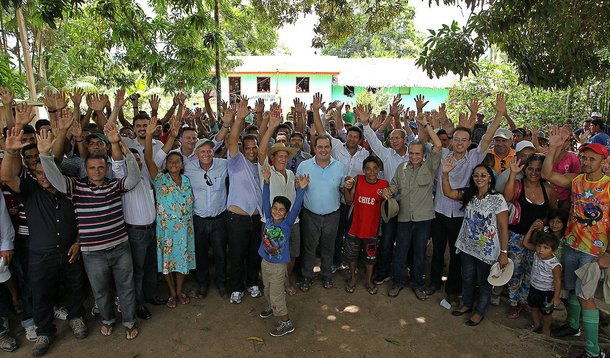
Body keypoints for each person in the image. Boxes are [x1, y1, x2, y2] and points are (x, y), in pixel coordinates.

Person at [39, 123, 141, 340]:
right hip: (93, 252)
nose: (97, 171)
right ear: (85, 169)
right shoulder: (76, 187)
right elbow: (56, 180)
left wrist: (123, 150)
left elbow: (133, 179)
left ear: (107, 168)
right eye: (93, 168)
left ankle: (130, 321)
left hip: (120, 247)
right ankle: (107, 320)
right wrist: (45, 156)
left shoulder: (114, 185)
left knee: (126, 288)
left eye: (101, 167)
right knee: (101, 291)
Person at [1, 128, 88, 356]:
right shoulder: (29, 191)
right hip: (40, 254)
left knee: (75, 287)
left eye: (48, 173)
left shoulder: (70, 190)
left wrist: (78, 242)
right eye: (39, 173)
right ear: (35, 175)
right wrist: (10, 153)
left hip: (70, 250)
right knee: (41, 293)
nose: (44, 177)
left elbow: (83, 218)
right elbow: (8, 177)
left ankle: (76, 318)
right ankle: (44, 332)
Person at [427, 94, 506, 306]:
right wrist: (427, 122)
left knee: (456, 253)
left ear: (469, 142)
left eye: (464, 140)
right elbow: (432, 138)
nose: (459, 143)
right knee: (437, 250)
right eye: (456, 139)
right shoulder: (443, 154)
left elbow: (488, 137)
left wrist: (499, 114)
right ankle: (434, 282)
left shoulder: (474, 157)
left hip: (461, 214)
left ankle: (452, 289)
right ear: (451, 141)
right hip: (439, 210)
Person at [542, 126, 610, 358]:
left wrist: (608, 252)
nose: (586, 161)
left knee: (585, 297)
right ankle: (573, 326)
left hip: (594, 251)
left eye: (592, 158)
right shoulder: (577, 180)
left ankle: (593, 351)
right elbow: (548, 175)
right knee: (571, 289)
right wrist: (552, 148)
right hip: (572, 244)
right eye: (583, 157)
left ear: (603, 161)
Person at [382, 113, 442, 299]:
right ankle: (398, 282)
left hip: (424, 219)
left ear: (424, 155)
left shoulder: (430, 166)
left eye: (418, 154)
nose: (414, 156)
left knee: (419, 253)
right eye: (412, 153)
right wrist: (388, 191)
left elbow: (438, 145)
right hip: (404, 217)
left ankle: (417, 284)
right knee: (400, 251)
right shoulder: (402, 168)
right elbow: (393, 184)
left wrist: (425, 125)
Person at [441, 162, 509, 326]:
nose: (479, 178)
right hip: (467, 247)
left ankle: (479, 312)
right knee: (468, 277)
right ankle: (467, 304)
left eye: (483, 175)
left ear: (490, 179)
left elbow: (503, 227)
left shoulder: (497, 199)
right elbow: (448, 192)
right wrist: (444, 174)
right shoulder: (469, 194)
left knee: (484, 283)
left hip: (487, 250)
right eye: (476, 175)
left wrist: (504, 252)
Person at [310, 93, 369, 273]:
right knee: (336, 235)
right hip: (336, 200)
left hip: (356, 202)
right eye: (349, 136)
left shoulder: (365, 155)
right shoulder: (335, 146)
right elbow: (321, 131)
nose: (351, 139)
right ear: (346, 136)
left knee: (354, 234)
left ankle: (352, 264)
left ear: (360, 140)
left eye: (355, 137)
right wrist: (315, 110)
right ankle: (335, 262)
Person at [144, 117, 195, 308]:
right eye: (170, 161)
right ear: (166, 165)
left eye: (177, 161)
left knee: (182, 262)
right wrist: (150, 136)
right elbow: (149, 158)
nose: (174, 163)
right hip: (166, 230)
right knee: (167, 262)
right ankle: (172, 293)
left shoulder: (187, 181)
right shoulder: (160, 180)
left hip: (185, 230)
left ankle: (180, 291)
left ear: (182, 165)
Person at [504, 155, 557, 319]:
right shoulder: (518, 185)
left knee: (531, 271)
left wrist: (545, 224)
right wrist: (513, 174)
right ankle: (513, 303)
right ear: (524, 169)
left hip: (538, 240)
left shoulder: (548, 189)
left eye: (538, 169)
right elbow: (506, 198)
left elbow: (552, 212)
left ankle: (525, 301)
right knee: (514, 271)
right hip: (515, 237)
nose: (534, 172)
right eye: (530, 168)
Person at [258, 165, 307, 337]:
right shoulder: (269, 219)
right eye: (275, 208)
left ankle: (286, 323)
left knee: (277, 296)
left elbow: (296, 207)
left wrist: (301, 189)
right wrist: (266, 182)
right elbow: (265, 200)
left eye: (281, 210)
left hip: (279, 267)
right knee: (266, 289)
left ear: (286, 214)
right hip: (265, 263)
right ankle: (271, 307)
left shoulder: (286, 224)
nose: (277, 211)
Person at [225, 98, 264, 304]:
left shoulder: (261, 165)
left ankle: (253, 283)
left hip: (256, 218)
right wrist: (239, 119)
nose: (250, 150)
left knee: (253, 253)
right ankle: (237, 287)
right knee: (237, 254)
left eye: (253, 147)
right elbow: (232, 141)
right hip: (237, 218)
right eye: (246, 147)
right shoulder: (235, 162)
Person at [258, 109, 300, 295]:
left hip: (293, 222)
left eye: (285, 157)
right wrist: (272, 126)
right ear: (272, 159)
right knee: (271, 253)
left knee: (291, 253)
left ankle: (285, 281)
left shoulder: (291, 174)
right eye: (279, 156)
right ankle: (271, 283)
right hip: (271, 222)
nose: (283, 159)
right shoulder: (266, 171)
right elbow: (261, 151)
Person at [296, 133, 346, 291]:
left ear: (331, 148)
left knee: (328, 247)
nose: (323, 150)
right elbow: (297, 187)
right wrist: (299, 186)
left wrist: (349, 185)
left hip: (333, 215)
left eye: (326, 147)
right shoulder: (304, 166)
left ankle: (326, 275)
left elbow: (343, 189)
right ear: (314, 148)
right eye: (320, 147)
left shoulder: (339, 166)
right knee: (309, 248)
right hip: (310, 215)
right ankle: (307, 276)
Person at [185, 136, 229, 300]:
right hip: (199, 219)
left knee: (220, 253)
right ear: (196, 153)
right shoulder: (188, 168)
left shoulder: (223, 164)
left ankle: (221, 282)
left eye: (209, 150)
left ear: (213, 151)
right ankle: (203, 283)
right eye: (202, 151)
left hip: (219, 218)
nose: (206, 154)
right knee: (200, 253)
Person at [342, 156, 387, 295]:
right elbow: (349, 201)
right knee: (352, 255)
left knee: (370, 258)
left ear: (379, 170)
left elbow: (388, 206)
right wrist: (346, 188)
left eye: (375, 168)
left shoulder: (384, 184)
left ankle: (368, 281)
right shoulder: (358, 179)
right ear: (363, 170)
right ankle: (353, 279)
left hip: (372, 229)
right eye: (368, 168)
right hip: (355, 226)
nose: (371, 172)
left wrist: (389, 195)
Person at [522, 222, 562, 336]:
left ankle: (546, 330)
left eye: (546, 248)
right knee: (533, 308)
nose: (541, 250)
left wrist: (556, 297)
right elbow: (525, 243)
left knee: (546, 313)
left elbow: (558, 280)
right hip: (534, 287)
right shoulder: (536, 253)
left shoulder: (555, 265)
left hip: (547, 292)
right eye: (539, 246)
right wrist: (531, 228)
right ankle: (536, 324)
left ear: (553, 250)